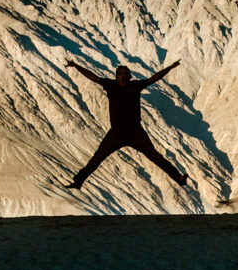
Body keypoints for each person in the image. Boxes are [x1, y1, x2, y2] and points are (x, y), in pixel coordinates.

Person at [65, 59, 188, 189]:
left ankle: (179, 178)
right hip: (116, 134)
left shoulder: (136, 86)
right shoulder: (110, 85)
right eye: (120, 74)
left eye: (125, 74)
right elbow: (92, 76)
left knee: (155, 157)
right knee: (96, 159)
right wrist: (76, 65)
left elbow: (154, 78)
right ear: (116, 76)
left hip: (136, 133)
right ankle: (78, 182)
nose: (122, 76)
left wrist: (170, 67)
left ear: (130, 77)